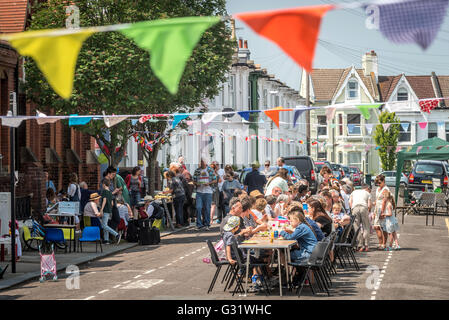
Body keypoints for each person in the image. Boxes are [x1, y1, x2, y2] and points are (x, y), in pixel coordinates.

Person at [192, 159, 217, 231]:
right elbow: (194, 181)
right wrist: (197, 184)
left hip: (208, 192)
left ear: (206, 162)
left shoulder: (210, 170)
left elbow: (215, 180)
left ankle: (207, 224)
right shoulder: (197, 170)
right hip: (199, 192)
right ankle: (199, 224)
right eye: (201, 162)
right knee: (198, 208)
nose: (202, 163)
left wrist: (208, 183)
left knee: (207, 208)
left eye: (203, 162)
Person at [350, 183, 372, 252]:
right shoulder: (368, 193)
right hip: (364, 207)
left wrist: (352, 209)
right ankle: (366, 245)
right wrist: (368, 211)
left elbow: (350, 202)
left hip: (355, 207)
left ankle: (360, 245)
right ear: (367, 189)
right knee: (366, 227)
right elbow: (369, 205)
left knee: (356, 227)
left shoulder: (354, 192)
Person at [99, 178, 120, 244]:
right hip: (109, 210)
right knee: (106, 224)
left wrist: (101, 209)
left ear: (104, 184)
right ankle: (106, 239)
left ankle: (116, 234)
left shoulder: (104, 191)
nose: (102, 186)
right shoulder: (110, 193)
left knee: (104, 225)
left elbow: (104, 201)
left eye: (102, 184)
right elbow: (112, 203)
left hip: (105, 210)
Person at [373, 174, 390, 250]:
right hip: (377, 209)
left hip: (383, 209)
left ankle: (384, 244)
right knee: (376, 226)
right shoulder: (378, 189)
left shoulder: (385, 189)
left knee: (383, 227)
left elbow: (384, 201)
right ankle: (380, 243)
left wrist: (382, 212)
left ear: (383, 181)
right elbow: (377, 200)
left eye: (379, 182)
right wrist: (374, 211)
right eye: (377, 183)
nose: (378, 184)